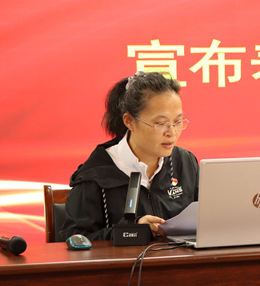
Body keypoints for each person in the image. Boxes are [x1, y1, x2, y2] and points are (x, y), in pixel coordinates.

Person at [59, 71, 199, 241]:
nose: (172, 133)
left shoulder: (186, 162)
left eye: (177, 122)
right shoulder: (96, 175)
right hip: (124, 260)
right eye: (161, 123)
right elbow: (72, 240)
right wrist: (131, 231)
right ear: (129, 121)